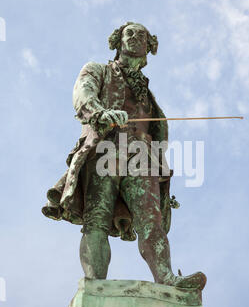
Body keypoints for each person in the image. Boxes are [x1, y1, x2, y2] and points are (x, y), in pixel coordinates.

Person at [42, 21, 206, 290]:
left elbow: (158, 132)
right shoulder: (99, 69)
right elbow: (83, 92)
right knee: (97, 217)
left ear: (149, 46)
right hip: (104, 149)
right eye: (128, 33)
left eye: (141, 35)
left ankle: (166, 279)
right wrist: (99, 112)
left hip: (142, 156)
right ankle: (95, 285)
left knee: (152, 221)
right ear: (117, 41)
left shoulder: (147, 93)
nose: (134, 37)